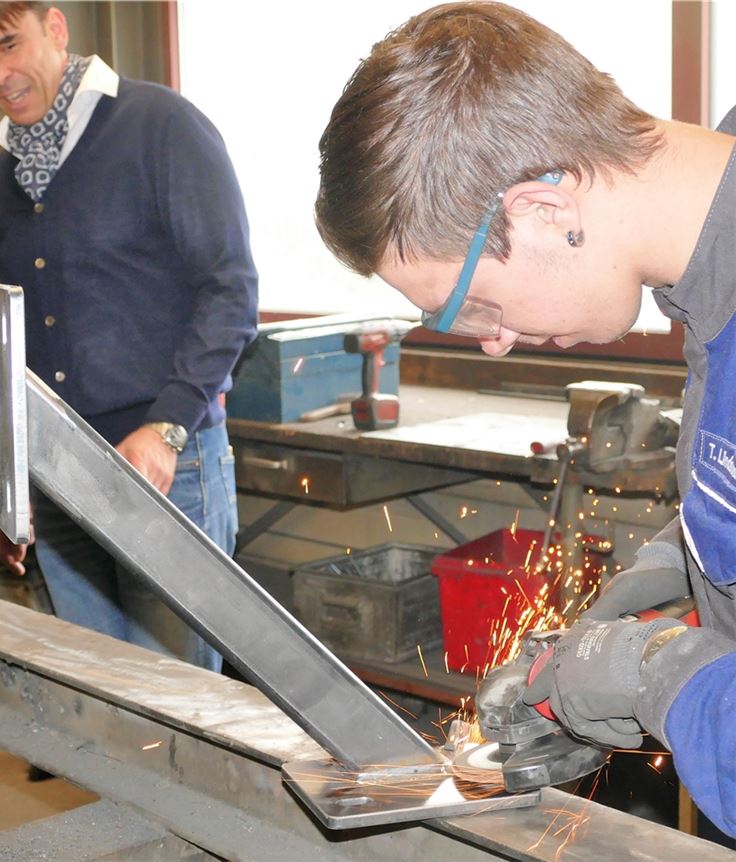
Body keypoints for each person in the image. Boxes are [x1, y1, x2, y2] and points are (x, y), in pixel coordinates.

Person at [315, 1, 734, 839]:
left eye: (471, 306)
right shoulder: (711, 279)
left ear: (542, 211)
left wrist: (655, 676)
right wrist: (678, 565)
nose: (497, 344)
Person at [0, 2, 258, 673]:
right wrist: (12, 480)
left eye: (8, 44)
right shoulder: (10, 168)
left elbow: (231, 290)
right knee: (104, 695)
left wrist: (166, 426)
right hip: (61, 474)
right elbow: (20, 333)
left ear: (56, 28)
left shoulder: (160, 127)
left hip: (168, 464)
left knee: (185, 703)